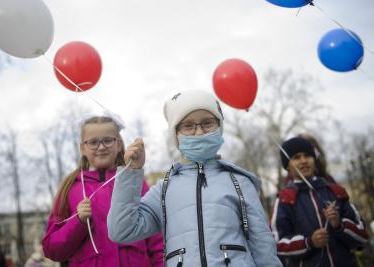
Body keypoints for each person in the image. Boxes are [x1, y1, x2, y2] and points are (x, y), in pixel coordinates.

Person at [108, 90, 282, 266]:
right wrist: (131, 172)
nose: (199, 132)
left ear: (219, 126)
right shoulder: (164, 189)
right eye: (188, 126)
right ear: (175, 134)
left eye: (207, 123)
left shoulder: (239, 182)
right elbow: (121, 230)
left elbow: (263, 246)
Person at [42, 115, 164, 267]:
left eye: (107, 140)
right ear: (82, 148)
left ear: (118, 144)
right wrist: (77, 221)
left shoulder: (134, 181)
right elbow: (51, 249)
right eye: (93, 142)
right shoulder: (69, 188)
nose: (101, 147)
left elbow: (157, 242)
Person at [271, 137, 369, 267]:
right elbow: (277, 245)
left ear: (314, 159)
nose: (304, 161)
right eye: (296, 157)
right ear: (287, 166)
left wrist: (339, 225)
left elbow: (363, 236)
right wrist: (309, 242)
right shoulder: (284, 199)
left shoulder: (336, 191)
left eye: (307, 155)